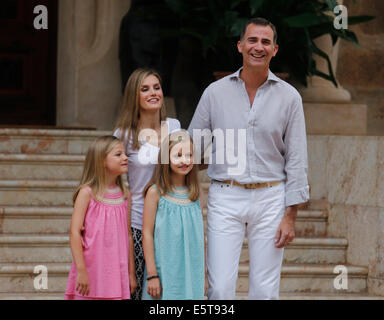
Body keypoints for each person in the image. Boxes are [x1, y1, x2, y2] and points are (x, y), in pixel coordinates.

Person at [188, 17, 309, 300]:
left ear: (275, 49)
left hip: (271, 198)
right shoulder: (214, 93)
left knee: (265, 291)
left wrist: (290, 216)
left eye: (265, 42)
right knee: (219, 289)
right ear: (240, 45)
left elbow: (297, 158)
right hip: (225, 195)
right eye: (252, 40)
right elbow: (193, 150)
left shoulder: (290, 98)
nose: (259, 47)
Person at [113, 68, 181, 300]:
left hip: (171, 219)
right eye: (145, 89)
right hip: (139, 223)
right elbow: (112, 181)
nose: (153, 93)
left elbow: (184, 169)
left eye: (156, 87)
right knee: (141, 291)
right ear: (134, 96)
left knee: (170, 293)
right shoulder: (123, 134)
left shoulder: (174, 127)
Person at [65, 136, 137, 300]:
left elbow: (128, 235)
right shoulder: (87, 193)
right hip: (90, 271)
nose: (125, 157)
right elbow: (74, 232)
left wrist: (131, 274)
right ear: (102, 161)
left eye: (124, 154)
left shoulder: (125, 195)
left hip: (116, 274)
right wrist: (81, 270)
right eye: (118, 154)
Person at [141, 131, 206, 300]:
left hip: (192, 273)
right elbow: (147, 234)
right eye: (177, 155)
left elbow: (199, 238)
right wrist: (152, 274)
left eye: (189, 155)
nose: (184, 160)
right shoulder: (156, 193)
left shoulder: (195, 194)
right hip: (164, 273)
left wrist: (203, 275)